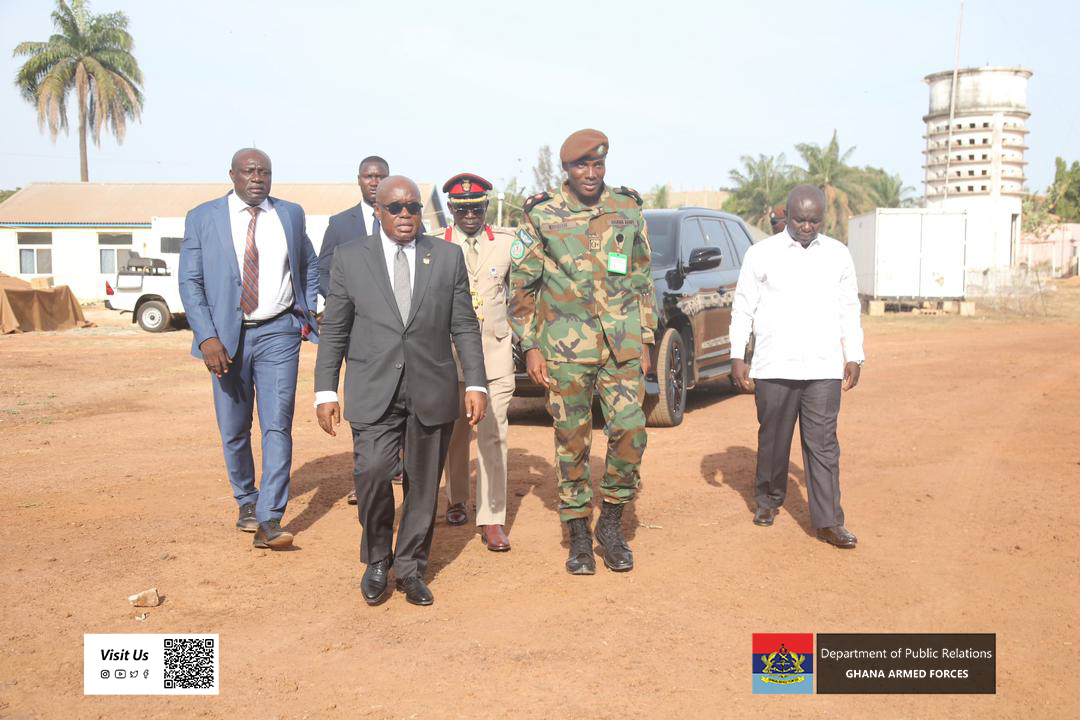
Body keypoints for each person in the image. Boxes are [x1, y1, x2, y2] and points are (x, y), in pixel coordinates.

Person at [314, 175, 488, 606]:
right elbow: (334, 328)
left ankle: (410, 567)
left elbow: (464, 323)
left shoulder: (446, 257)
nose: (406, 214)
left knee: (423, 484)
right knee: (372, 472)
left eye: (413, 207)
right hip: (373, 387)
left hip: (432, 386)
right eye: (395, 208)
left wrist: (477, 381)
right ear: (379, 211)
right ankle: (377, 558)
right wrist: (324, 390)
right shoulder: (351, 258)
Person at [510, 129, 655, 575]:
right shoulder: (542, 214)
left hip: (622, 345)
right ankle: (577, 534)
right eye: (580, 166)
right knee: (572, 441)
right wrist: (530, 346)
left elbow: (642, 276)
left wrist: (646, 337)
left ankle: (610, 525)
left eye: (597, 165)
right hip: (565, 349)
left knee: (631, 431)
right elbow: (522, 285)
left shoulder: (628, 208)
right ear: (566, 170)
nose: (590, 174)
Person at [178, 148, 318, 550]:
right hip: (225, 339)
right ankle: (246, 499)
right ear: (233, 175)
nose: (257, 178)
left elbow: (308, 264)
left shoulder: (290, 214)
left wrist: (305, 312)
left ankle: (271, 517)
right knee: (234, 428)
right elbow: (191, 282)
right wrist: (206, 337)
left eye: (265, 172)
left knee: (278, 423)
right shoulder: (203, 217)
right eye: (249, 171)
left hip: (279, 333)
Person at [729, 184, 864, 549]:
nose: (807, 226)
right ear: (786, 216)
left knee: (823, 444)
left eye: (814, 220)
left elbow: (849, 307)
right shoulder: (761, 254)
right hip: (775, 364)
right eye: (800, 219)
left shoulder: (838, 255)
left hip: (822, 366)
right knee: (773, 438)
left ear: (823, 218)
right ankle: (768, 500)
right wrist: (737, 354)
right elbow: (743, 306)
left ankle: (829, 520)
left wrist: (854, 354)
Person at [439, 173, 516, 552]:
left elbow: (523, 294)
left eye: (476, 207)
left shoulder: (506, 243)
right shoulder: (436, 245)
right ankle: (456, 499)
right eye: (462, 208)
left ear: (486, 206)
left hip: (494, 355)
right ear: (451, 208)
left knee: (493, 433)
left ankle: (492, 518)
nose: (470, 214)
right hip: (448, 356)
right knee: (455, 432)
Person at [318, 156, 389, 299]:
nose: (375, 183)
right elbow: (321, 272)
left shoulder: (406, 220)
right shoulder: (339, 224)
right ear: (359, 179)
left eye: (381, 177)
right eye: (369, 177)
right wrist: (340, 301)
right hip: (354, 316)